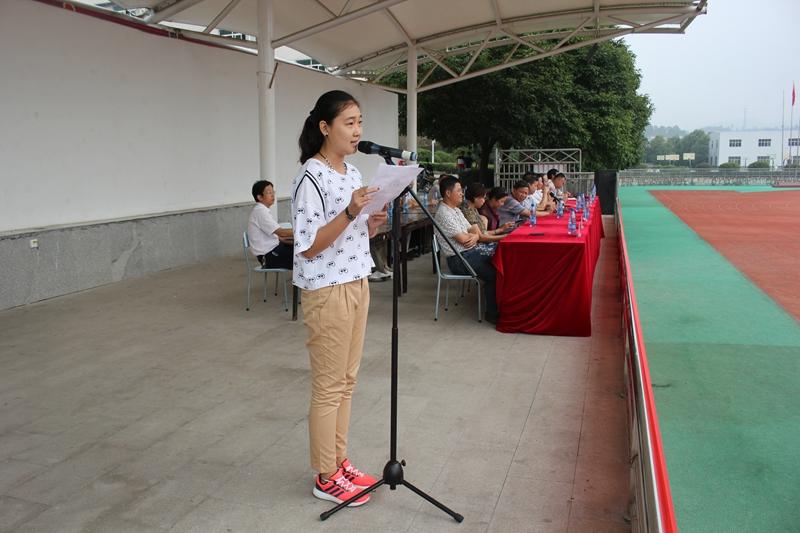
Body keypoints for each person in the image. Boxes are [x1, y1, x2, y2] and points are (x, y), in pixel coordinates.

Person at [292, 90, 388, 507]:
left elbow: (351, 232)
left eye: (360, 122)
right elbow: (308, 245)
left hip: (357, 280)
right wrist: (349, 213)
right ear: (324, 127)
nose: (357, 130)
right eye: (349, 122)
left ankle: (339, 460)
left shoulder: (352, 172)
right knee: (329, 386)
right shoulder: (310, 176)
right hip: (326, 289)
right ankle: (325, 475)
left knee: (347, 382)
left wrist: (371, 223)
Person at [434, 175, 499, 323]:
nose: (462, 194)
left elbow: (473, 232)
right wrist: (475, 237)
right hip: (459, 259)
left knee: (497, 252)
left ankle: (500, 306)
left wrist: (474, 237)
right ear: (448, 193)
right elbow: (464, 240)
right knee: (494, 273)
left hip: (470, 252)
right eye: (459, 191)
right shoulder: (443, 213)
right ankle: (492, 313)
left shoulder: (456, 210)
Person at [247, 180, 294, 269]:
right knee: (303, 255)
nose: (273, 195)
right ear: (260, 197)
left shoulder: (262, 210)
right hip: (268, 257)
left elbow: (278, 236)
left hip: (274, 250)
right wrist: (302, 231)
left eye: (273, 192)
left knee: (301, 250)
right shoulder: (260, 212)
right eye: (269, 193)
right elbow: (281, 233)